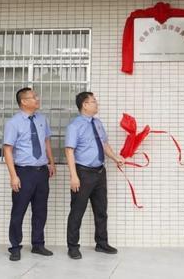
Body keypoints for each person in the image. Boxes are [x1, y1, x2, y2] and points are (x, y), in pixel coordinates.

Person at [65, 91, 124, 260]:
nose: (96, 104)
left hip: (99, 172)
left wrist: (115, 158)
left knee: (101, 210)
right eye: (93, 101)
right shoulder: (74, 126)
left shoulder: (97, 123)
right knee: (77, 211)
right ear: (85, 105)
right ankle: (73, 246)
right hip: (83, 173)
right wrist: (74, 176)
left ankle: (102, 243)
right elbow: (69, 151)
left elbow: (104, 144)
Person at [3, 88, 56, 261]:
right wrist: (13, 175)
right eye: (33, 97)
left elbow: (46, 141)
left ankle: (38, 244)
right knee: (19, 210)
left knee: (40, 210)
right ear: (24, 101)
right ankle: (15, 246)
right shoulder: (13, 123)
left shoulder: (42, 119)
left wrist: (51, 161)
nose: (37, 99)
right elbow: (8, 149)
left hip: (41, 172)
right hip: (23, 172)